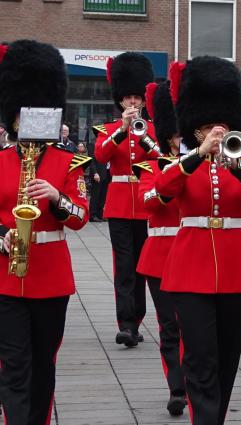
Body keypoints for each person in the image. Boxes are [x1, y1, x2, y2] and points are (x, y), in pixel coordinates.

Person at [156, 56, 241, 425]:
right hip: (191, 271)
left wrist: (237, 165)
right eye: (208, 127)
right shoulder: (181, 162)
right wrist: (197, 155)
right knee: (200, 357)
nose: (216, 133)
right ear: (194, 128)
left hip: (237, 271)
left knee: (227, 358)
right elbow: (162, 189)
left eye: (221, 126)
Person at [0, 39, 91, 425]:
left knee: (43, 364)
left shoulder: (70, 163)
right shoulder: (2, 160)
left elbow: (81, 216)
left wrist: (56, 197)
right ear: (14, 119)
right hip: (6, 275)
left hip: (51, 275)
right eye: (22, 116)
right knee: (14, 363)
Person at [93, 52, 159, 348]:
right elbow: (101, 155)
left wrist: (141, 133)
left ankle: (139, 316)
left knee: (142, 265)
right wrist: (121, 130)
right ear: (120, 101)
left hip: (145, 205)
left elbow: (159, 157)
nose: (132, 103)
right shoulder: (108, 130)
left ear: (144, 101)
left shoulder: (153, 129)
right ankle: (127, 323)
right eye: (128, 98)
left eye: (137, 98)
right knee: (123, 264)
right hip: (119, 204)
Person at [131, 80, 187, 416]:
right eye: (180, 136)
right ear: (168, 136)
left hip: (194, 252)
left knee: (194, 328)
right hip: (161, 253)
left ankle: (196, 381)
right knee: (169, 326)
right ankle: (176, 387)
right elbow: (150, 201)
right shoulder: (150, 166)